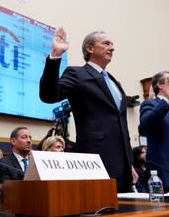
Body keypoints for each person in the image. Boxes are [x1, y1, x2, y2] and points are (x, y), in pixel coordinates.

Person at [39, 28, 136, 192]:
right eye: (106, 43)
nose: (112, 48)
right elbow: (48, 95)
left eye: (112, 44)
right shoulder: (77, 73)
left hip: (124, 166)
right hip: (95, 160)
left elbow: (120, 124)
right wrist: (55, 56)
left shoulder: (114, 82)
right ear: (90, 48)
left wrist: (129, 163)